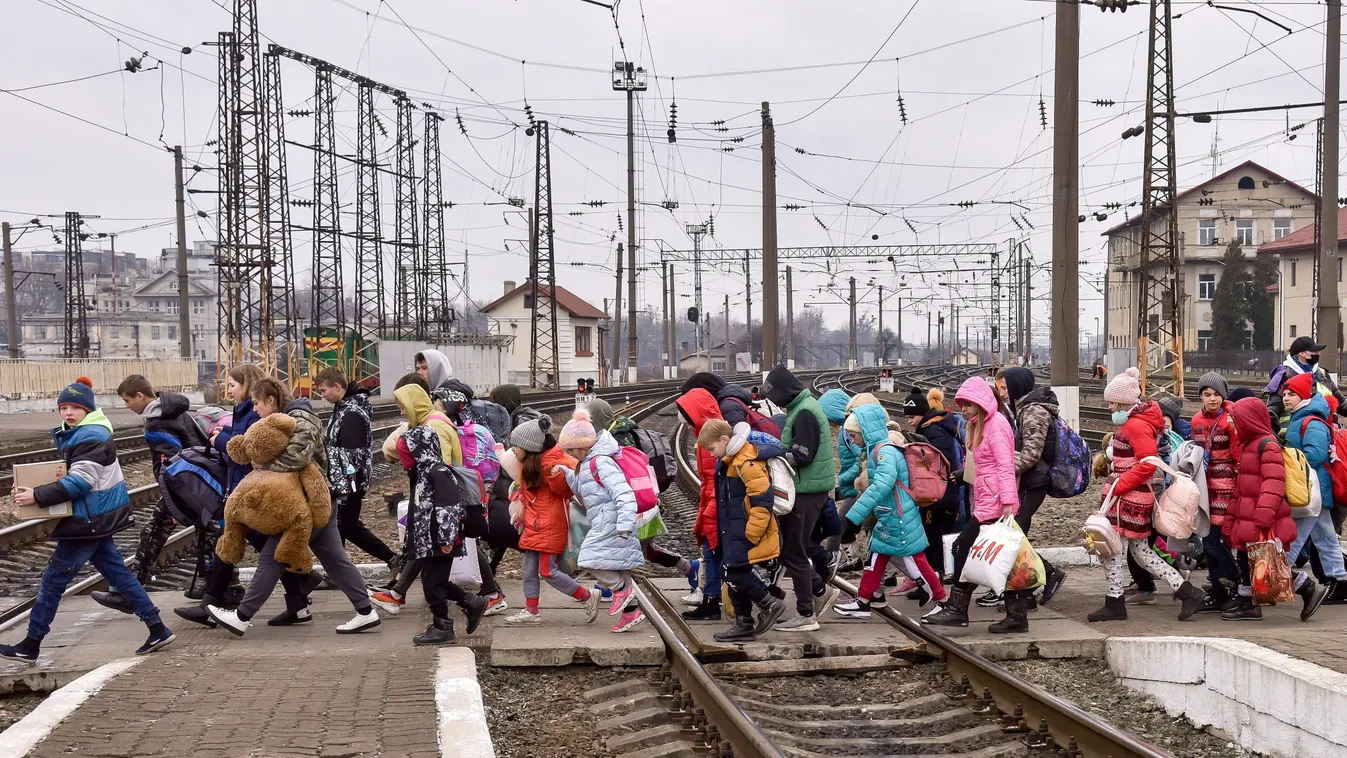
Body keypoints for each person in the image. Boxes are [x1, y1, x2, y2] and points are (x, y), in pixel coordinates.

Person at [2, 378, 175, 661]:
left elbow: (81, 481)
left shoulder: (90, 436)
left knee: (53, 582)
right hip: (96, 516)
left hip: (89, 519)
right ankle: (158, 628)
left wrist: (37, 496)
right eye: (64, 407)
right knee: (119, 575)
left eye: (75, 407)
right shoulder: (82, 433)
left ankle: (31, 644)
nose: (68, 413)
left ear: (87, 409)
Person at [207, 378, 381, 635]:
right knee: (335, 561)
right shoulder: (286, 418)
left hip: (306, 503)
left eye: (257, 403)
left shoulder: (301, 419)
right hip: (314, 500)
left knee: (271, 557)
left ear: (271, 400)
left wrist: (263, 465)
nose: (255, 409)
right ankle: (366, 611)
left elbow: (299, 455)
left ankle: (242, 617)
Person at [174, 364, 311, 628]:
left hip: (253, 489)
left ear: (246, 385)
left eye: (233, 385)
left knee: (239, 543)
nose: (229, 389)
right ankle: (299, 601)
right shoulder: (246, 409)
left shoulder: (256, 410)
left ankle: (210, 605)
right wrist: (224, 435)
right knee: (268, 549)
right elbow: (244, 438)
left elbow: (252, 446)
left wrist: (220, 441)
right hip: (244, 484)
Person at [1086, 368, 1205, 622]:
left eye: (1112, 403)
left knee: (1115, 551)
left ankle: (1115, 602)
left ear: (1125, 402)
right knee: (1141, 552)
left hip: (1128, 498)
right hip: (1132, 496)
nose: (1109, 408)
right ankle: (1186, 592)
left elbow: (1148, 462)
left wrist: (1119, 484)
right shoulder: (1137, 422)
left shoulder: (1135, 425)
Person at [92, 374, 211, 614]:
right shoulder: (176, 411)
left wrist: (177, 503)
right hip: (203, 484)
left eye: (128, 401)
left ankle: (130, 592)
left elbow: (172, 466)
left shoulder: (156, 422)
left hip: (186, 488)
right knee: (209, 534)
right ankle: (220, 586)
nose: (127, 406)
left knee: (154, 531)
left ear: (140, 396)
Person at [922, 377, 1028, 633]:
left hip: (995, 503)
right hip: (987, 500)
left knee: (964, 548)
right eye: (962, 404)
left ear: (981, 402)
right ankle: (1015, 616)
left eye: (968, 404)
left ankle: (958, 609)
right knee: (1005, 557)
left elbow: (1005, 466)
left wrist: (1007, 502)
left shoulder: (996, 426)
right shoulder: (981, 426)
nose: (963, 409)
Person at [834, 404, 946, 620]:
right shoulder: (880, 448)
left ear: (865, 431)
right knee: (876, 556)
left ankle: (942, 600)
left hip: (898, 516)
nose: (852, 440)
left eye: (854, 435)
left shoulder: (884, 452)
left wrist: (854, 514)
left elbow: (882, 485)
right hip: (893, 514)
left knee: (916, 561)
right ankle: (865, 600)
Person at [1224, 395, 1326, 622]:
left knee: (1266, 561)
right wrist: (1233, 514)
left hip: (1259, 515)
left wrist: (1264, 514)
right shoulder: (1251, 444)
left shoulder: (1266, 445)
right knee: (1251, 559)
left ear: (1249, 420)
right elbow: (1244, 486)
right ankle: (1248, 602)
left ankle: (1307, 588)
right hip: (1247, 513)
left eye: (1235, 420)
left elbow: (1273, 483)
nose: (1232, 424)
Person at [588, 397, 699, 590]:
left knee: (625, 547)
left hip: (636, 504)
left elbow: (623, 476)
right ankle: (689, 567)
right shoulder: (618, 433)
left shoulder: (615, 440)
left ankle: (613, 588)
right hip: (643, 501)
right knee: (643, 549)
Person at [396, 415, 488, 645]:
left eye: (406, 455)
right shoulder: (422, 475)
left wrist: (446, 539)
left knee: (432, 585)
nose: (403, 460)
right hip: (429, 540)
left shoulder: (439, 473)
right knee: (432, 580)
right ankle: (470, 602)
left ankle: (443, 626)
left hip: (440, 540)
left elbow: (448, 508)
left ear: (418, 452)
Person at [500, 417, 602, 626]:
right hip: (536, 525)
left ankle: (586, 595)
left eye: (516, 446)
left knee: (548, 571)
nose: (514, 451)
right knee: (528, 569)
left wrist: (557, 477)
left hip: (550, 525)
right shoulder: (533, 463)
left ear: (530, 447)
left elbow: (567, 489)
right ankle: (531, 610)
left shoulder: (553, 465)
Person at [557, 409, 647, 633]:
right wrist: (567, 473)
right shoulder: (587, 463)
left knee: (588, 559)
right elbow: (583, 490)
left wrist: (625, 523)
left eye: (570, 449)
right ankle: (631, 613)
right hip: (605, 521)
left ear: (582, 445)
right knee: (619, 565)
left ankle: (620, 591)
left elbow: (623, 493)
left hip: (614, 521)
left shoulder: (601, 463)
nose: (569, 453)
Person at [763, 365, 839, 630]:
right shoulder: (801, 407)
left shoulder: (804, 412)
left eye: (774, 397)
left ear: (783, 392)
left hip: (806, 492)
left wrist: (771, 455)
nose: (774, 403)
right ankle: (819, 592)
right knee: (790, 549)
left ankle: (806, 614)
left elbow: (803, 454)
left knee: (792, 551)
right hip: (808, 490)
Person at [697, 419, 787, 642]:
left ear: (724, 440)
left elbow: (762, 502)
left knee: (734, 572)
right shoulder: (730, 460)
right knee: (729, 570)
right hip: (733, 529)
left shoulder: (746, 463)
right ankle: (743, 622)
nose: (711, 454)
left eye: (712, 449)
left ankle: (769, 603)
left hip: (743, 531)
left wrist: (752, 534)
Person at [996, 368, 1067, 608]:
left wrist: (1000, 465)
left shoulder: (1034, 411)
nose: (1002, 394)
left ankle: (1047, 576)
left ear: (1016, 386)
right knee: (1017, 537)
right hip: (1030, 480)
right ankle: (1028, 593)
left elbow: (1030, 455)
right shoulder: (1024, 408)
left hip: (1035, 480)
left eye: (1005, 388)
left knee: (1015, 537)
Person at [313, 368, 397, 570]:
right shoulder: (344, 407)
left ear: (337, 386)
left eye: (324, 391)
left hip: (349, 482)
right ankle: (392, 559)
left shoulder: (351, 413)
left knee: (342, 526)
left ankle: (338, 572)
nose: (322, 396)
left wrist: (340, 483)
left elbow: (352, 455)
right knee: (346, 526)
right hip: (346, 481)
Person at [1278, 374, 1343, 603]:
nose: (1286, 398)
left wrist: (1287, 455)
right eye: (1284, 394)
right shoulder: (1302, 417)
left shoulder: (1311, 422)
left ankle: (1277, 578)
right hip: (1313, 488)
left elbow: (1315, 455)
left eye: (1291, 394)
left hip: (1310, 489)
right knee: (1326, 539)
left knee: (1294, 537)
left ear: (1304, 396)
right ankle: (1341, 581)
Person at [1189, 372, 1241, 613]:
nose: (1212, 399)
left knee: (1212, 541)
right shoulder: (1197, 420)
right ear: (1200, 396)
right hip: (1204, 487)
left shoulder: (1230, 420)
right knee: (1209, 541)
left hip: (1226, 488)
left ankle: (1234, 580)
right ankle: (1220, 591)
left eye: (1216, 394)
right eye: (1207, 394)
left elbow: (1238, 454)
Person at [676, 388, 728, 620]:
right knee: (714, 554)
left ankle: (712, 602)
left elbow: (713, 485)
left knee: (714, 554)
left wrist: (708, 515)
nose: (687, 427)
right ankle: (711, 600)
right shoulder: (710, 436)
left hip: (716, 510)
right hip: (714, 508)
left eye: (688, 421)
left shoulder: (709, 444)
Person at [904, 389, 963, 582]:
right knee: (936, 535)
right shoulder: (935, 428)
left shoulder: (932, 431)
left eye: (912, 416)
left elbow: (938, 466)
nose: (909, 421)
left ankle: (937, 577)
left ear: (922, 413)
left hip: (938, 495)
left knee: (935, 536)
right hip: (941, 493)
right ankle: (936, 576)